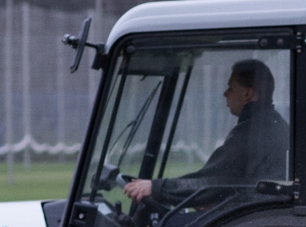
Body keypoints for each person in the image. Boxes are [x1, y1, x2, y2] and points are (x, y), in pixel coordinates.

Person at [123, 58, 287, 206]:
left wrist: (156, 188)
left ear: (247, 93)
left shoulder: (251, 132)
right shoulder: (268, 124)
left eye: (230, 88)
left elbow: (211, 182)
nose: (225, 93)